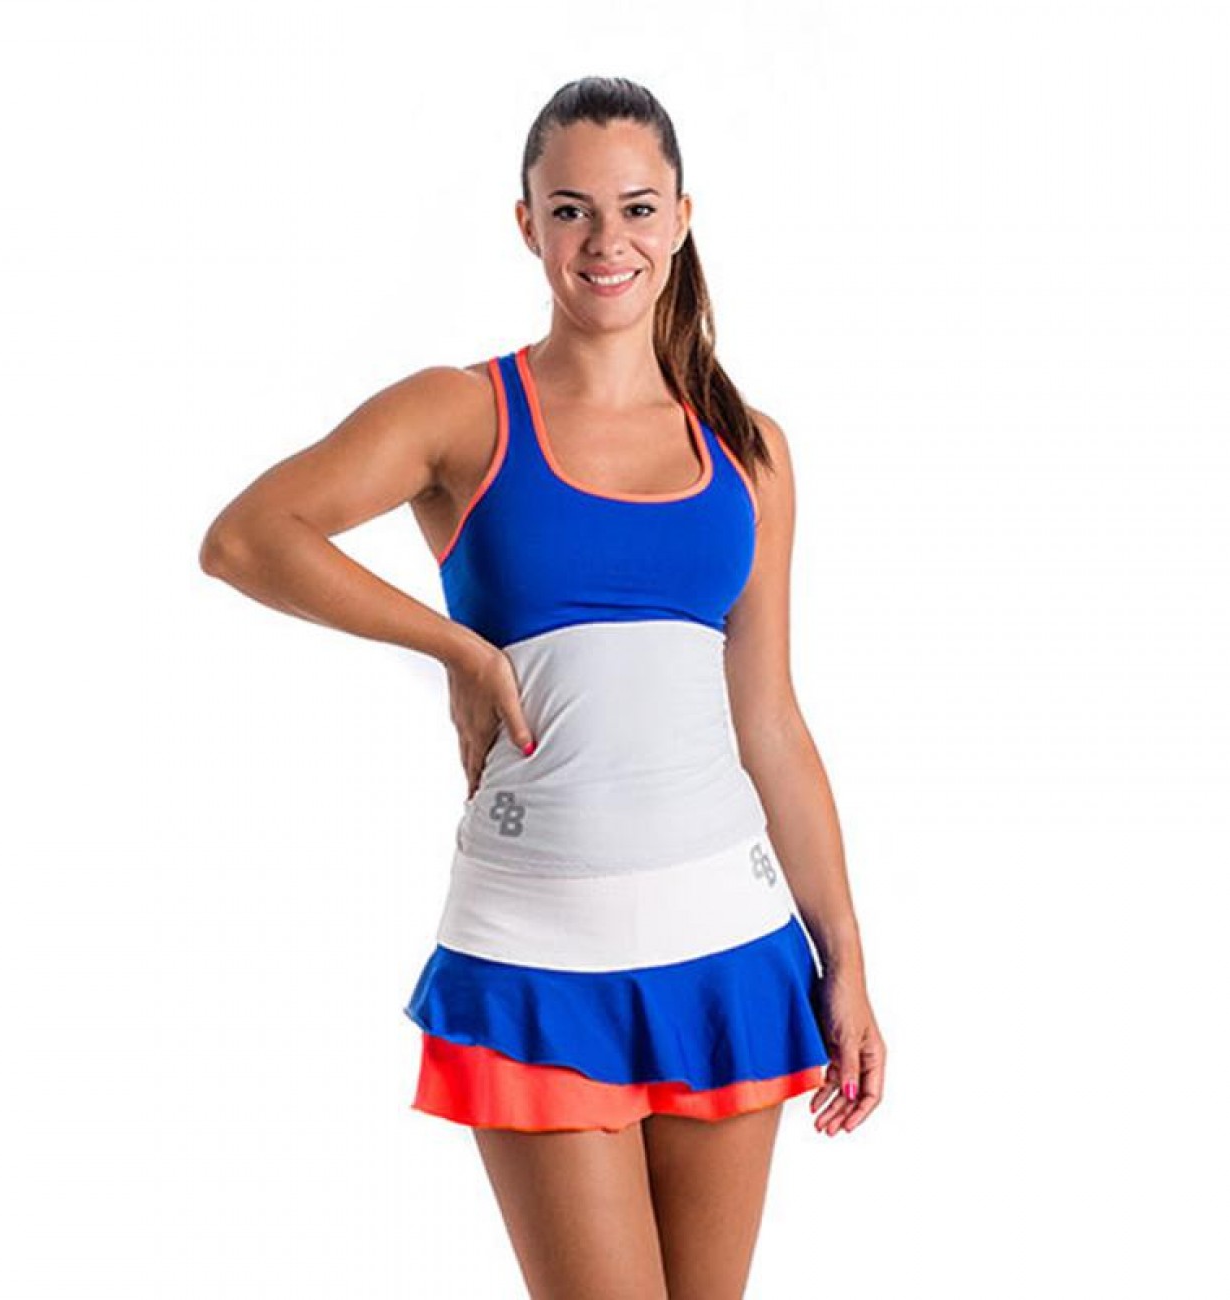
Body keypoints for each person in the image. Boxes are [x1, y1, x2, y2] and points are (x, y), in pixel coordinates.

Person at [200, 74, 885, 1300]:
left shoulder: (749, 448)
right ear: (528, 225)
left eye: (635, 207)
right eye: (571, 210)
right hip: (535, 953)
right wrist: (456, 649)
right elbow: (250, 537)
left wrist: (845, 957)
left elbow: (770, 720)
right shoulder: (461, 412)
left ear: (681, 217)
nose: (605, 240)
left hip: (728, 947)